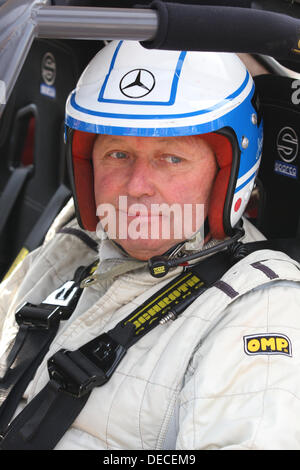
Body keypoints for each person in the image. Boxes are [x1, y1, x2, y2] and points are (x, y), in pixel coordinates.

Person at [1, 40, 300, 451]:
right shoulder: (70, 250)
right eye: (118, 154)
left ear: (225, 173)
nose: (137, 186)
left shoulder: (258, 308)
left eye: (171, 158)